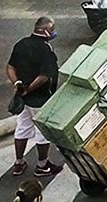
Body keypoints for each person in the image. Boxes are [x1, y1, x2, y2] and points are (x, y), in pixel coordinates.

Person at [6, 17, 64, 178]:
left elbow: (10, 67)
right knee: (42, 132)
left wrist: (17, 84)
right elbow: (44, 76)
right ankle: (42, 165)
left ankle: (19, 162)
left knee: (22, 127)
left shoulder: (21, 44)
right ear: (44, 31)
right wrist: (29, 89)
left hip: (22, 99)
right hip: (41, 98)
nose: (53, 33)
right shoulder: (46, 50)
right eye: (52, 30)